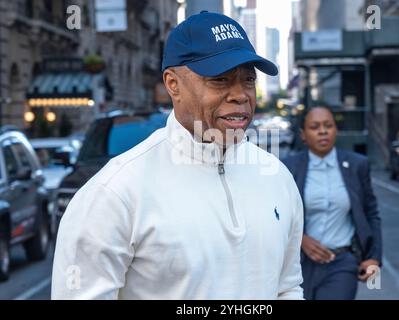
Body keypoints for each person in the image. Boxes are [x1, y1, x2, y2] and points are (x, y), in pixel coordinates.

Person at [51, 11, 304, 300]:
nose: (240, 94)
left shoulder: (277, 177)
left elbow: (287, 288)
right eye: (220, 80)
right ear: (173, 84)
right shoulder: (114, 193)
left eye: (248, 80)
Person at [283, 106, 382, 300]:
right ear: (303, 135)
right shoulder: (288, 167)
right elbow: (275, 216)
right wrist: (300, 239)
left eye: (328, 125)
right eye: (314, 126)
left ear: (336, 130)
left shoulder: (357, 165)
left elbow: (371, 213)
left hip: (342, 262)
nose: (322, 131)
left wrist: (373, 258)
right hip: (298, 264)